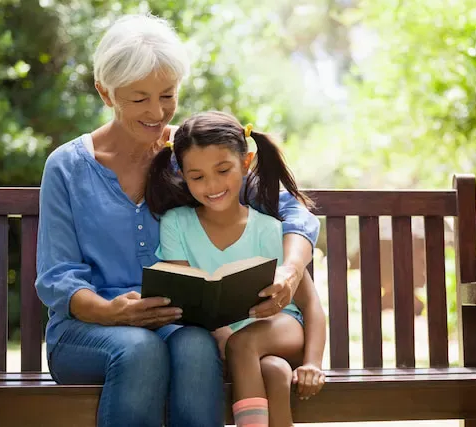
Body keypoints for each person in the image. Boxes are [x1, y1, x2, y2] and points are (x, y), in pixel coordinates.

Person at [34, 13, 320, 427]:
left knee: (195, 345)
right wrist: (110, 311)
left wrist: (291, 273)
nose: (157, 112)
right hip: (86, 331)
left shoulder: (191, 159)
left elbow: (293, 212)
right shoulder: (67, 167)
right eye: (139, 99)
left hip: (176, 325)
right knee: (138, 348)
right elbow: (58, 276)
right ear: (105, 92)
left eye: (167, 95)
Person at [145, 111, 326, 427]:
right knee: (274, 371)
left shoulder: (269, 229)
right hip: (225, 341)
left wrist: (313, 363)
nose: (212, 185)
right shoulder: (176, 224)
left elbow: (310, 304)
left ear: (245, 162)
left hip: (281, 329)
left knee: (243, 344)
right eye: (197, 176)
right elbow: (188, 299)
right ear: (182, 175)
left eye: (223, 170)